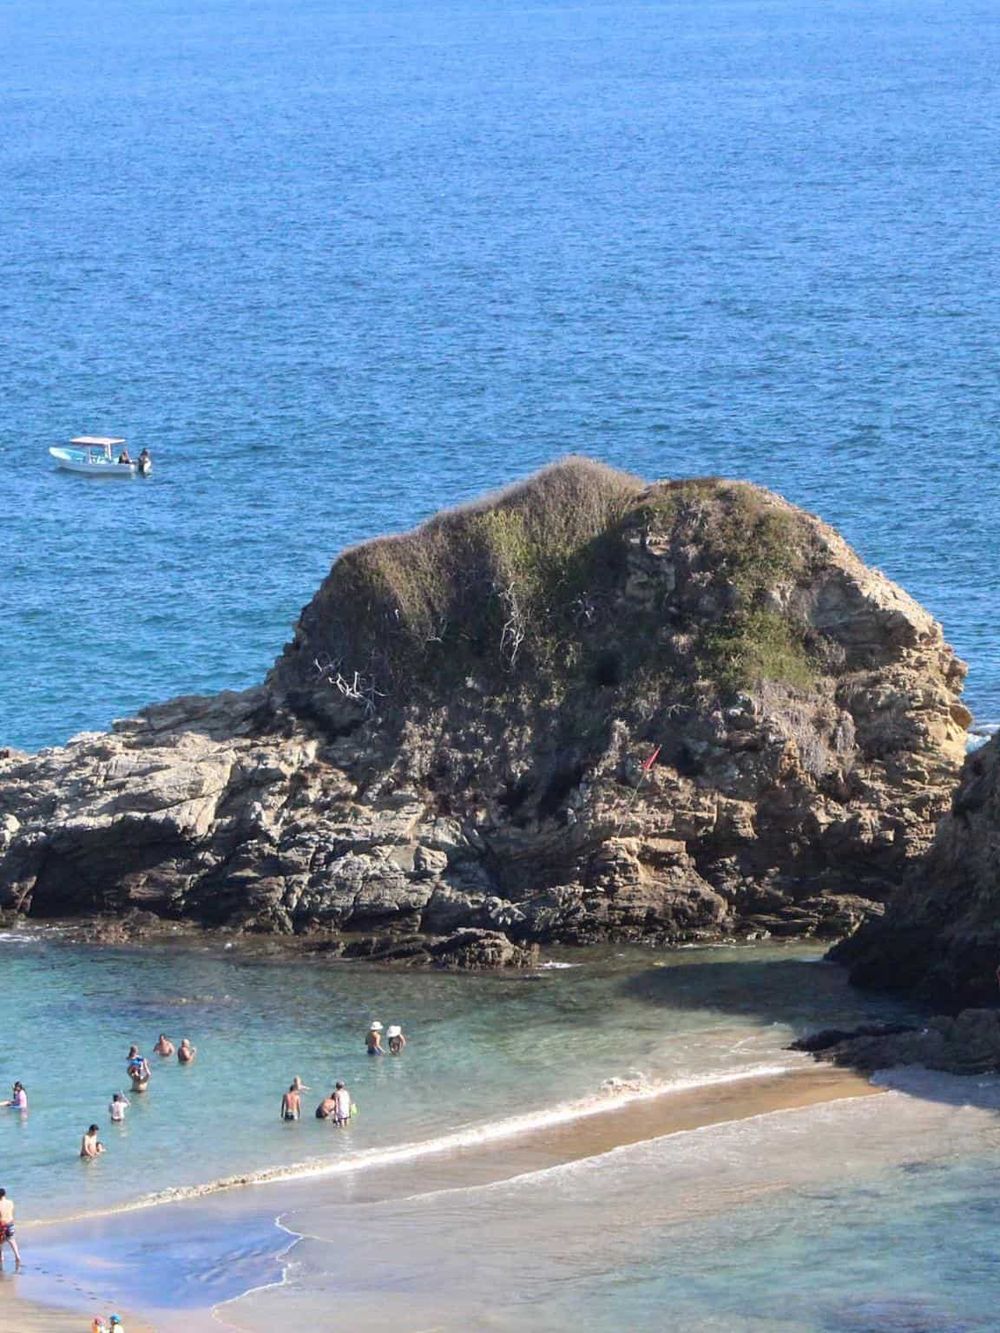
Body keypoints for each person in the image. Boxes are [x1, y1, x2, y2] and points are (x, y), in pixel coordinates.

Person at [0, 1188, 22, 1268]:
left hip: (1, 1224)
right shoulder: (10, 1202)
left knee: (0, 1242)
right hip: (10, 1223)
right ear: (5, 1194)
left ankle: (1, 1257)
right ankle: (17, 1256)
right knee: (12, 1241)